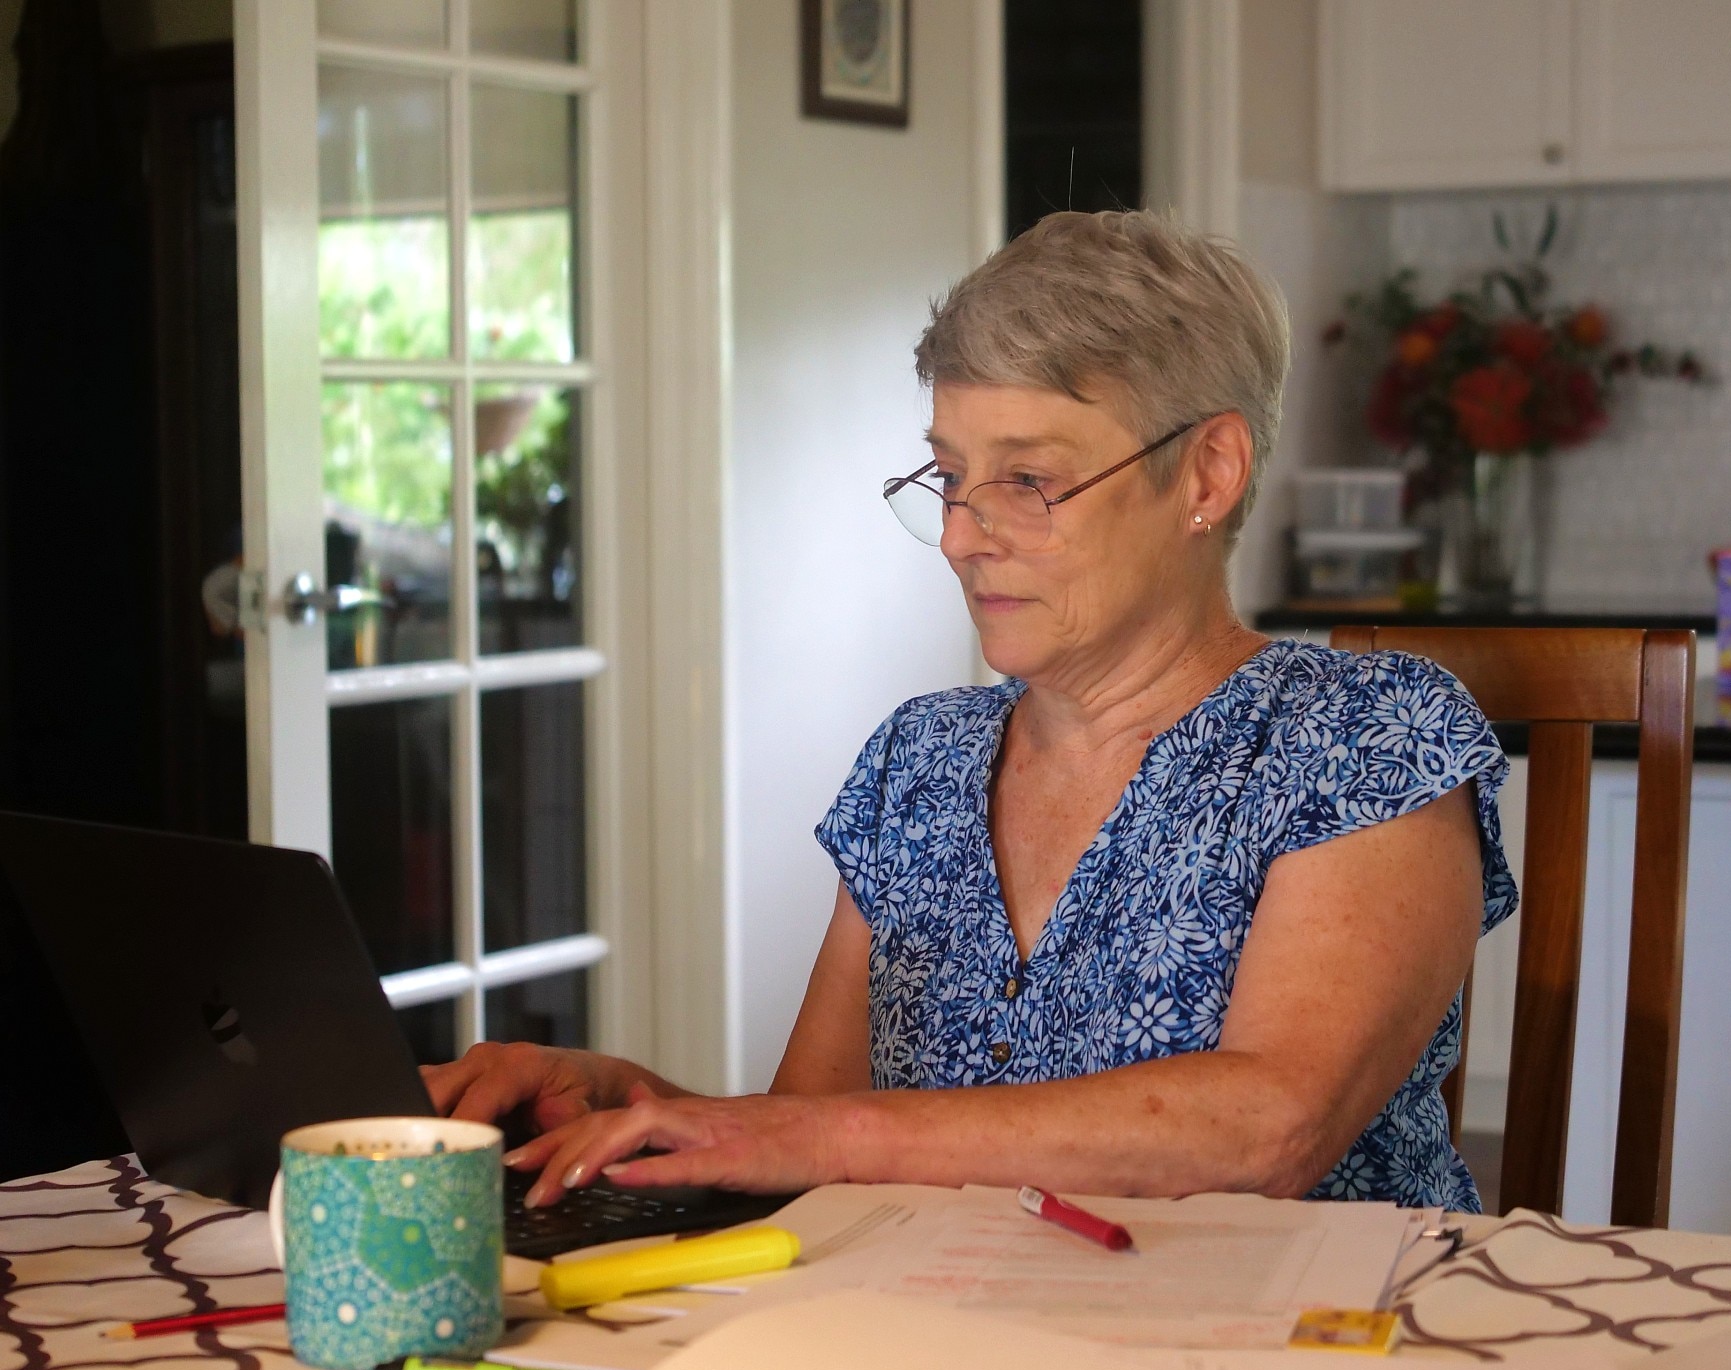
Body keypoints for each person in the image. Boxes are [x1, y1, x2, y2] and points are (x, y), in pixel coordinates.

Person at [427, 209, 1516, 1212]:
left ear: (1208, 473)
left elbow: (1270, 1129)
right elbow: (813, 1133)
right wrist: (619, 1103)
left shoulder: (1366, 738)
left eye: (1029, 482)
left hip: (1303, 1364)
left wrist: (813, 1137)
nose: (960, 534)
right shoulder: (922, 759)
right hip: (962, 1344)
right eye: (950, 477)